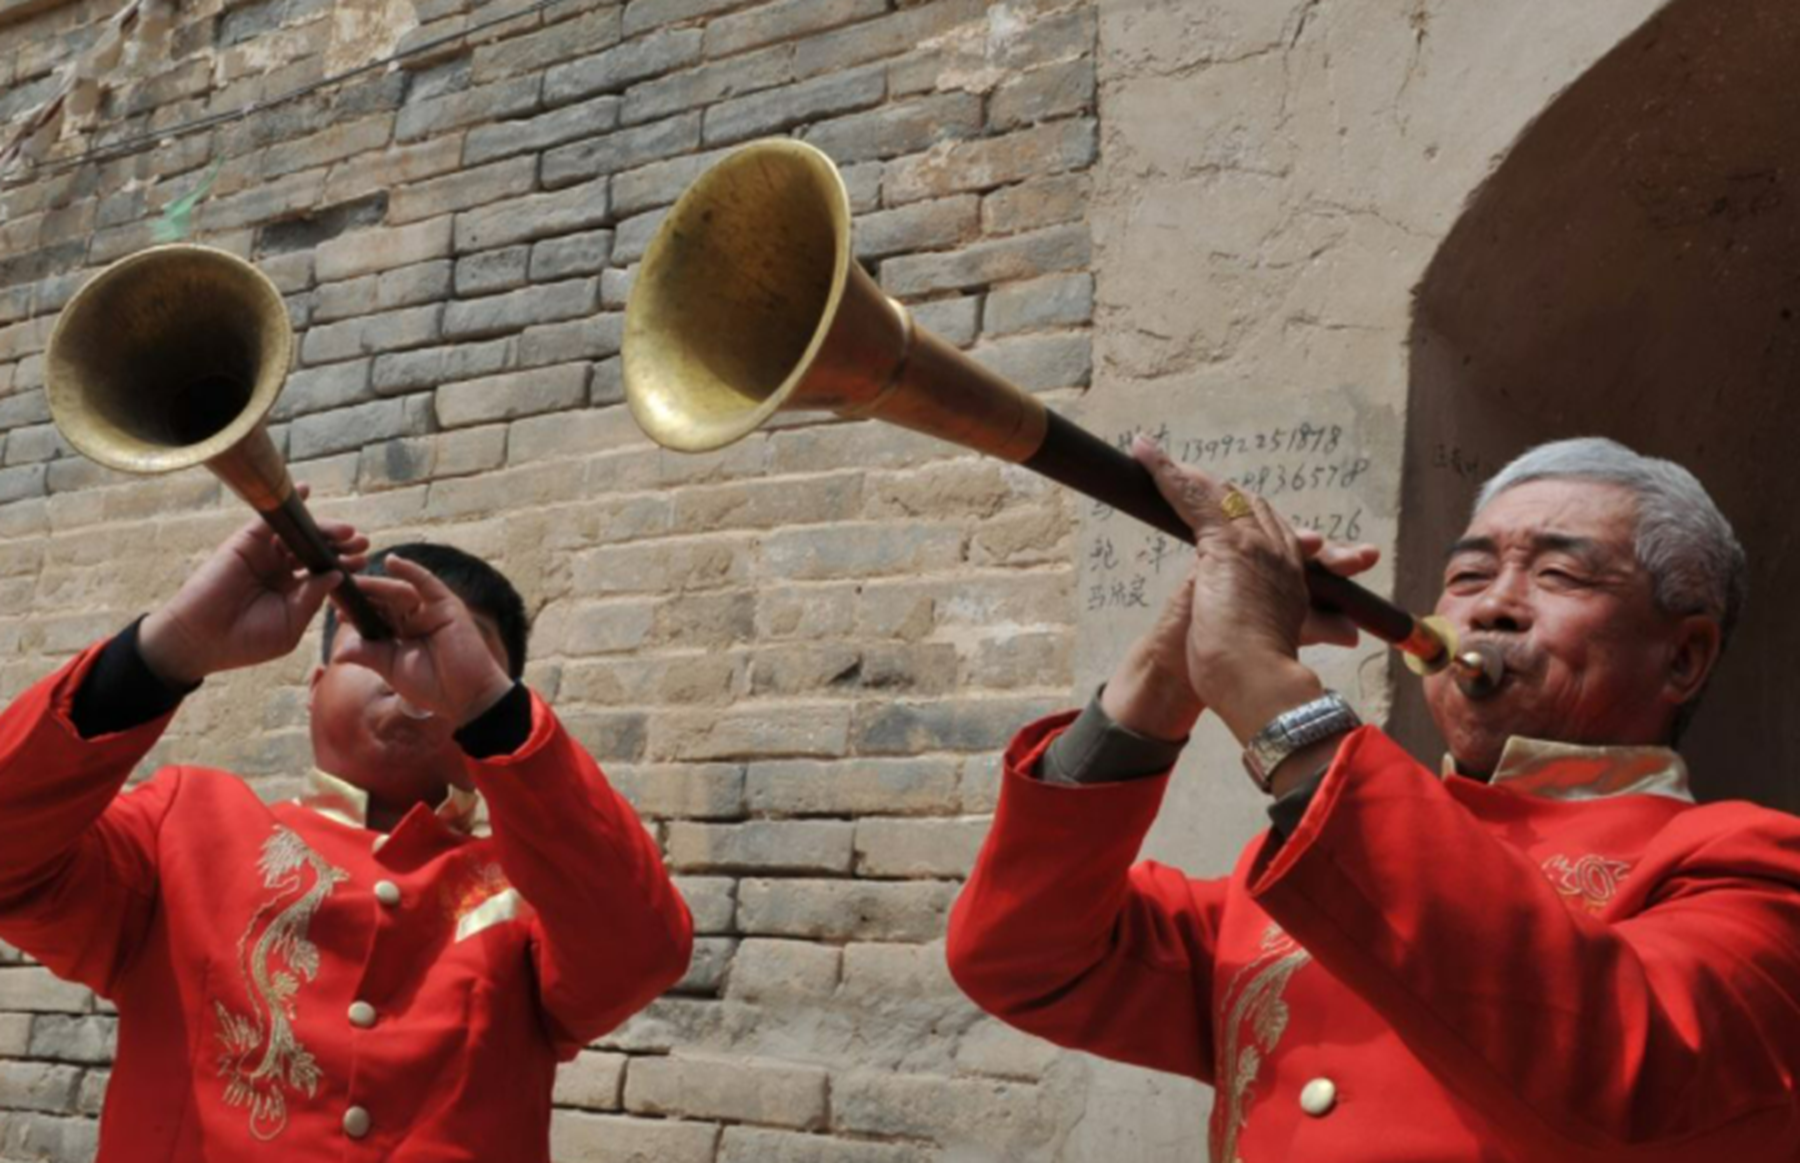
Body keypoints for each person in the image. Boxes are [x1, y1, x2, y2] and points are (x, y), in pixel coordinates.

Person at [946, 436, 1800, 1162]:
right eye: (1468, 575)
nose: (1493, 606)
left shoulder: (1753, 864)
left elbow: (1630, 1082)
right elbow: (1025, 958)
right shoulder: (1288, 873)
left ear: (1683, 657)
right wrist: (1166, 671)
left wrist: (1270, 692)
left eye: (1559, 576)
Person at [0, 508, 692, 1160]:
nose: (411, 674)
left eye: (460, 652)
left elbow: (640, 953)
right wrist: (167, 648)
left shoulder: (534, 887)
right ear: (316, 684)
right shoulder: (182, 821)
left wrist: (489, 706)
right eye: (383, 639)